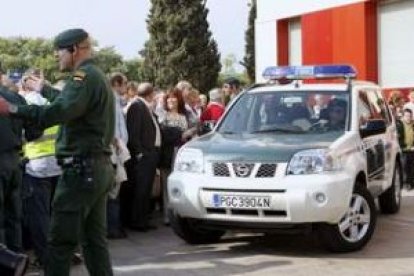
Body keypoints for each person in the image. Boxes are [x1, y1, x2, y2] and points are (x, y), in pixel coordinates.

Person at [0, 28, 114, 276]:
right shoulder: (95, 76)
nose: (56, 57)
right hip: (97, 168)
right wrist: (45, 89)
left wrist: (14, 109)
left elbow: (59, 112)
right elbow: (70, 103)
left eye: (59, 52)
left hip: (80, 172)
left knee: (59, 243)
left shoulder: (82, 77)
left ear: (74, 50)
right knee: (94, 242)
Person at [124, 82, 161, 231]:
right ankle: (137, 222)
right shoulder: (137, 106)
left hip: (151, 153)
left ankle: (143, 219)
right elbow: (133, 133)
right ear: (150, 93)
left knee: (146, 190)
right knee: (141, 189)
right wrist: (140, 153)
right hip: (144, 155)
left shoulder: (145, 106)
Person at [396, 109, 414, 190]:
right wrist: (403, 146)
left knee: (411, 167)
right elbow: (398, 138)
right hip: (404, 150)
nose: (408, 118)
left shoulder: (413, 124)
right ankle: (406, 184)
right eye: (406, 116)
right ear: (403, 116)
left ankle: (411, 183)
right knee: (405, 168)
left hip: (412, 149)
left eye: (410, 116)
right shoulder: (400, 125)